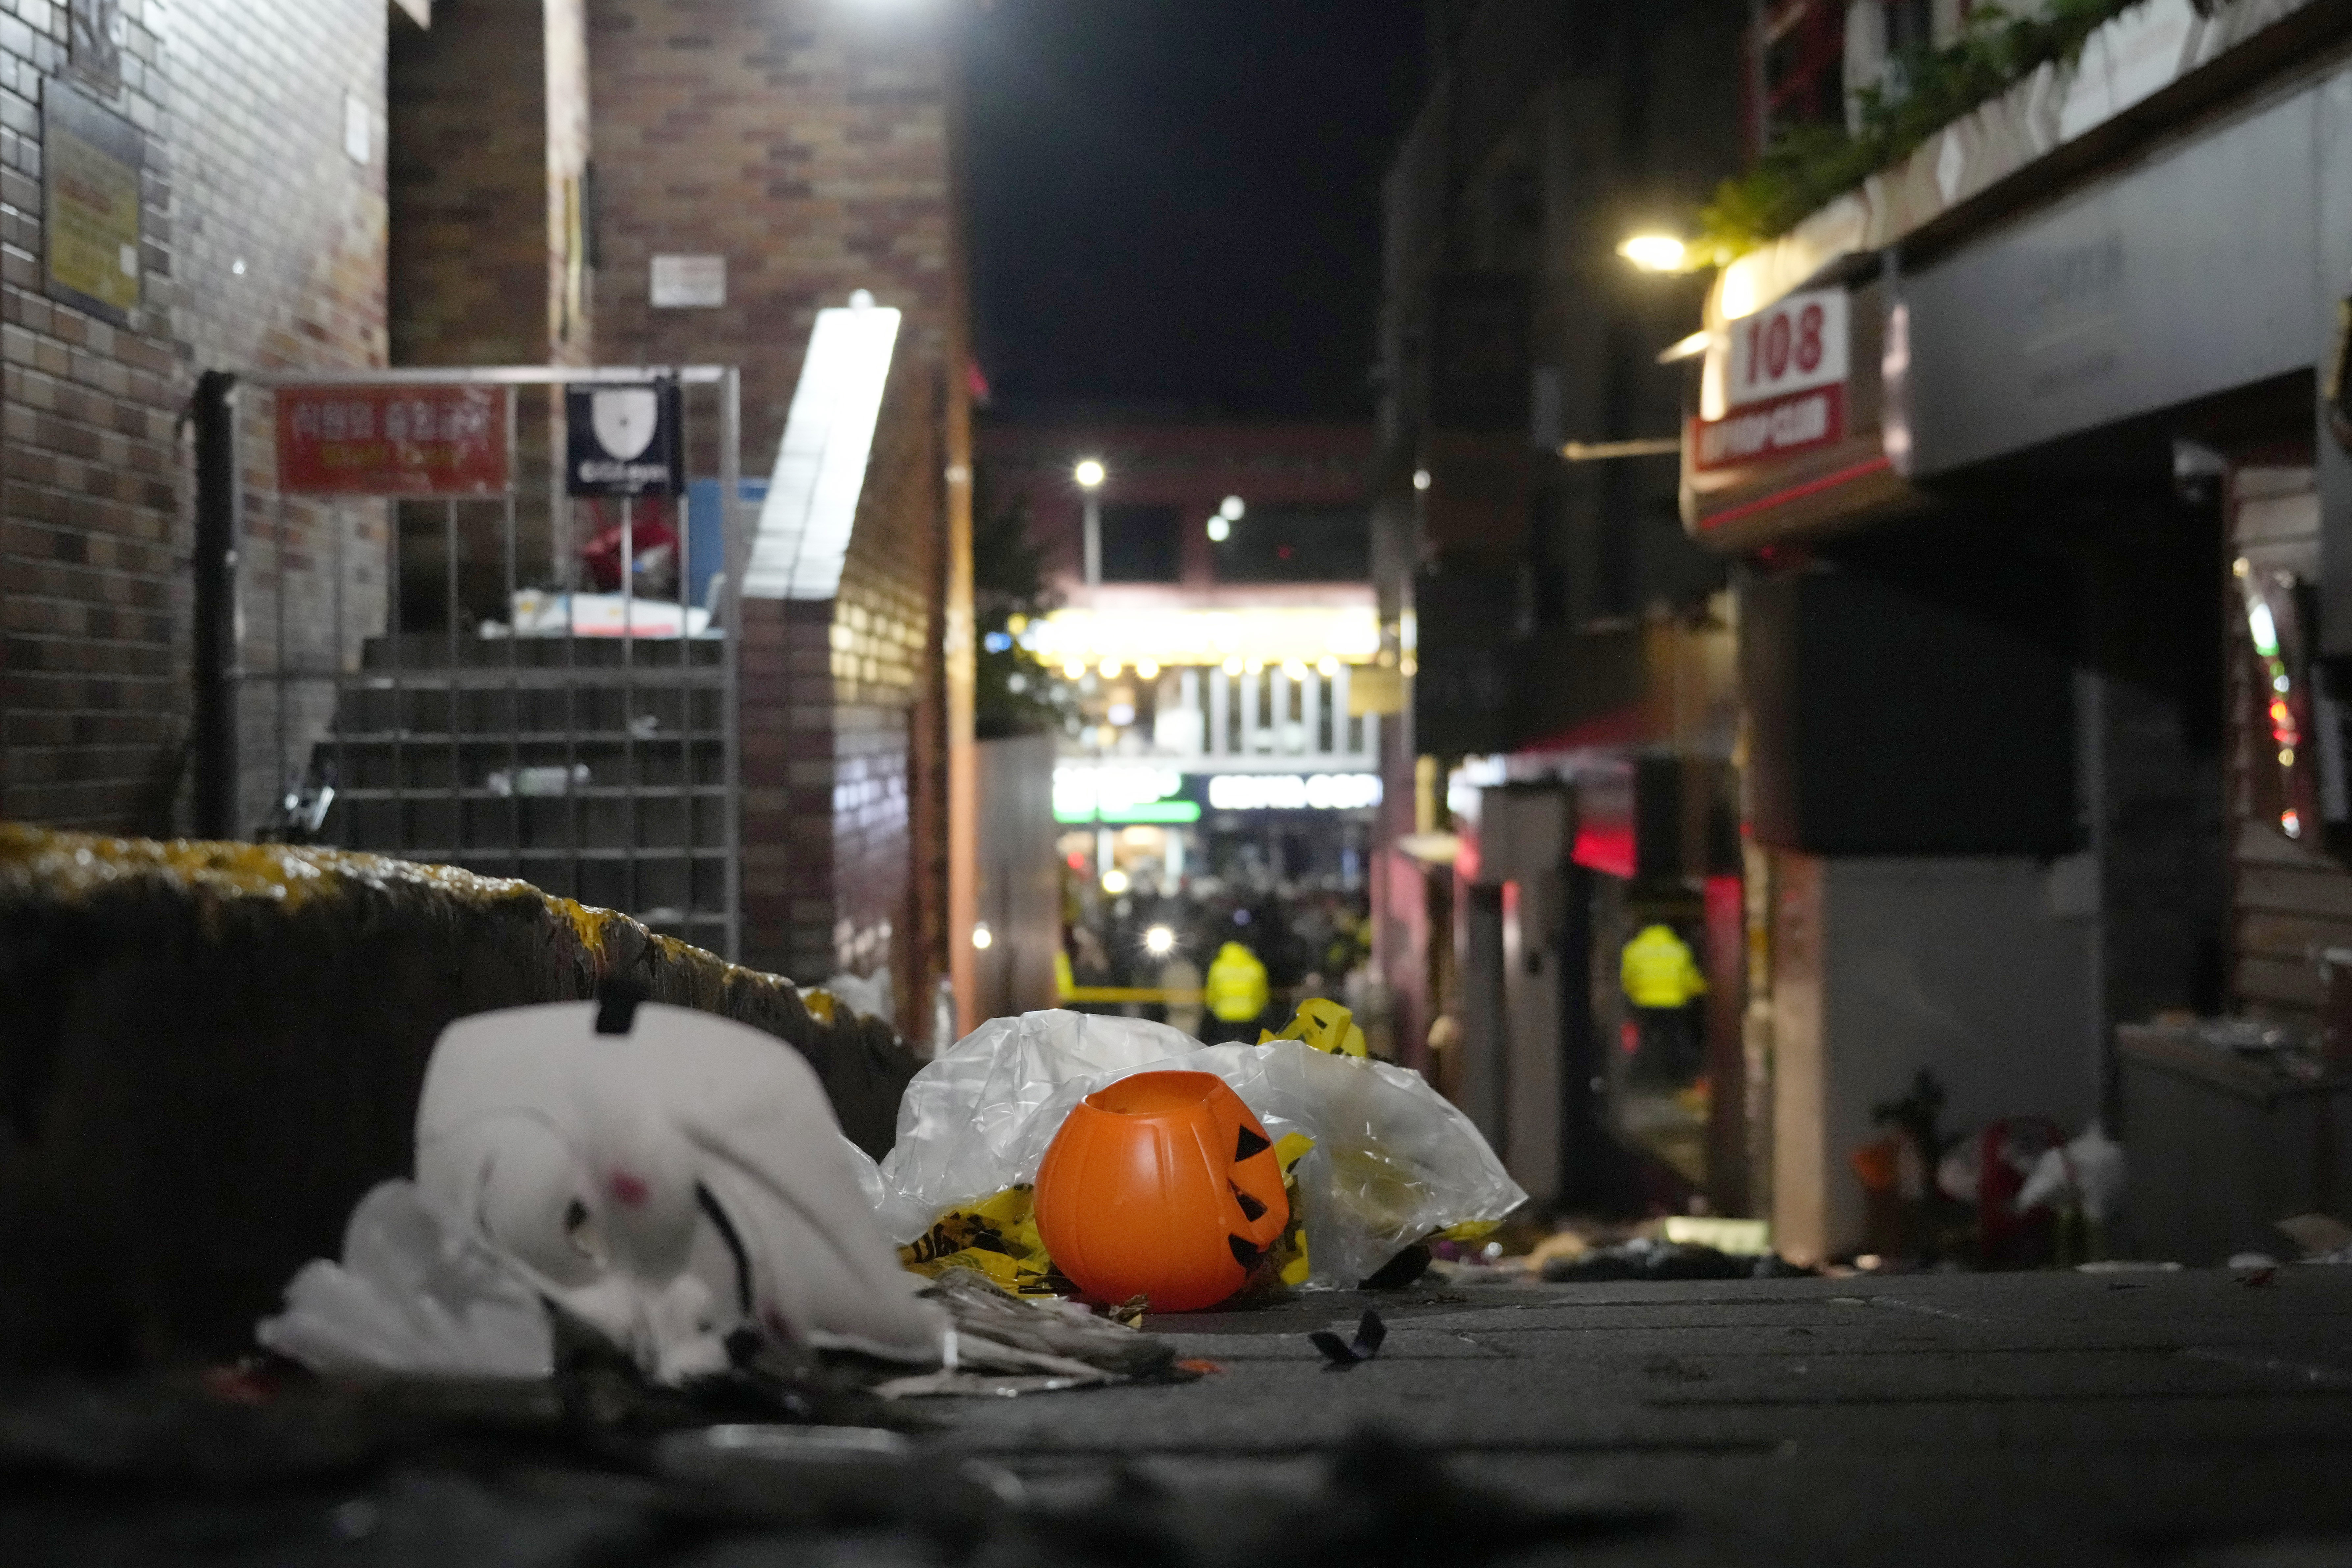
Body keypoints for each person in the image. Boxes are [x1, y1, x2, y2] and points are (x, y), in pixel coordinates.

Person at [1619, 922, 1708, 1081]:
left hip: (1644, 1003)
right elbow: (1689, 979)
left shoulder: (1633, 950)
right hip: (1674, 1003)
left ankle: (1642, 1077)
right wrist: (1701, 990)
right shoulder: (1679, 950)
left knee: (1646, 1040)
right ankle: (1681, 1076)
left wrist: (1634, 995)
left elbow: (1627, 980)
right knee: (1676, 1039)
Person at [1201, 940, 1270, 1044]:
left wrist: (1211, 1007)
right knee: (1248, 1046)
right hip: (1250, 1014)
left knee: (1225, 1046)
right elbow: (1261, 993)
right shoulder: (1256, 966)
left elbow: (1212, 991)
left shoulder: (1218, 967)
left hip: (1224, 1014)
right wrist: (1261, 1008)